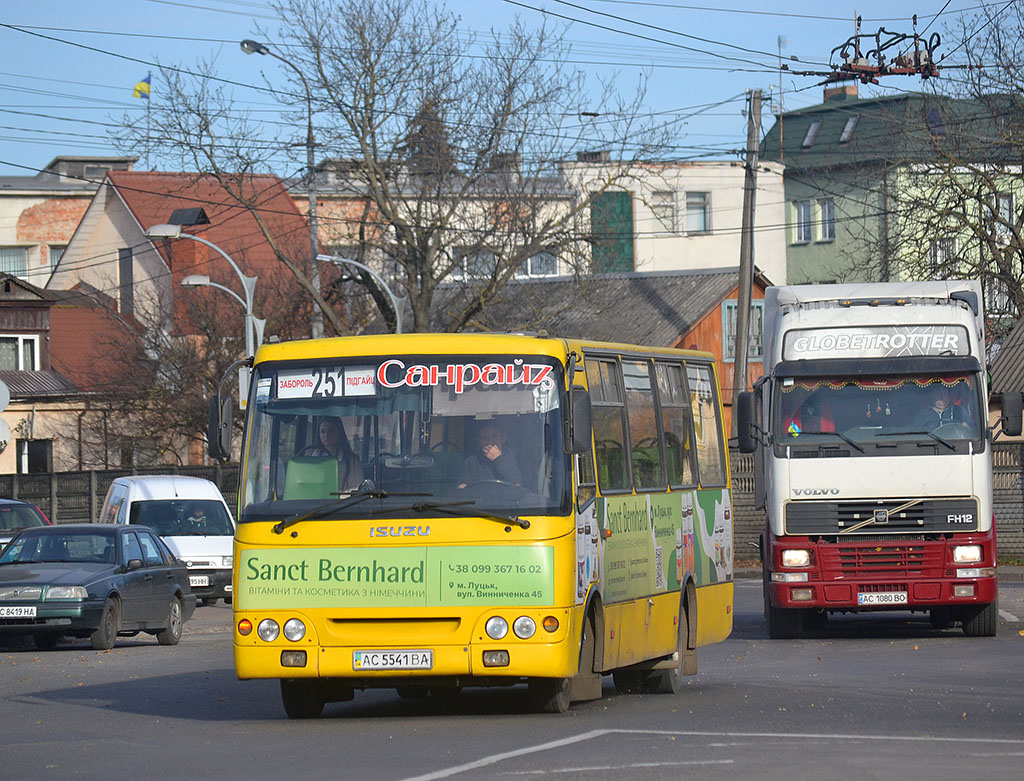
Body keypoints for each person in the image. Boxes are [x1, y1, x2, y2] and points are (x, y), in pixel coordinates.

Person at [304, 417, 365, 492]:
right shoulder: (308, 461)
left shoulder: (352, 464)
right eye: (322, 431)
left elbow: (357, 491)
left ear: (339, 433)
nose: (326, 435)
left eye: (331, 431)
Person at [457, 420, 523, 488]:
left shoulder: (515, 458)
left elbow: (517, 484)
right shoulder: (470, 463)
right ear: (480, 441)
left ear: (503, 438)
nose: (490, 442)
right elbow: (462, 488)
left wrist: (498, 459)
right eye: (485, 438)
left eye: (494, 436)